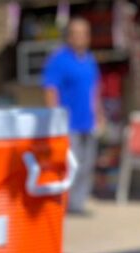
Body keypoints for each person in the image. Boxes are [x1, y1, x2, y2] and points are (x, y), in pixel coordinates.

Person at [42, 18, 104, 215]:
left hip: (88, 122)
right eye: (76, 33)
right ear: (68, 36)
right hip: (68, 124)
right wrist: (55, 120)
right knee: (70, 166)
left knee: (86, 165)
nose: (80, 37)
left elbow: (95, 91)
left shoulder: (89, 59)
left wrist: (99, 114)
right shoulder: (58, 59)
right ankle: (64, 204)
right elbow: (50, 89)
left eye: (84, 33)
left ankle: (78, 204)